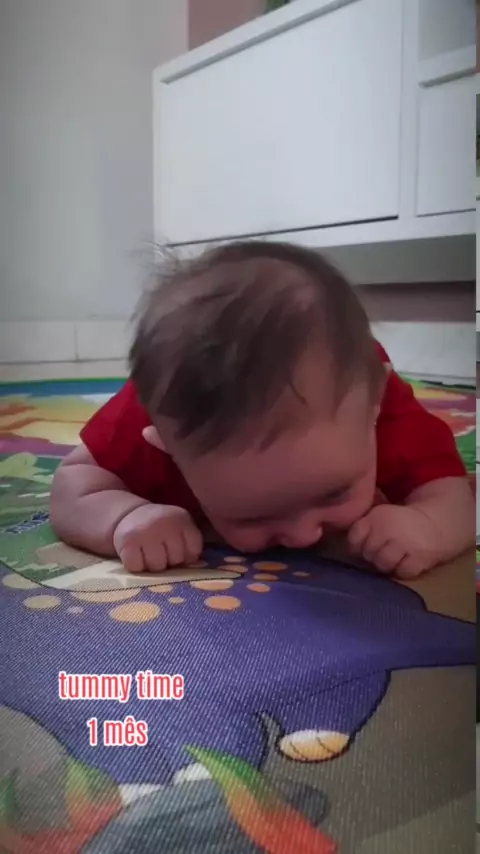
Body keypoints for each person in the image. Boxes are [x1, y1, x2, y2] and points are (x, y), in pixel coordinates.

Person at [50, 241, 474, 578]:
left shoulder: (374, 405)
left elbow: (456, 494)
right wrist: (126, 517)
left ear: (374, 403)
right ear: (167, 447)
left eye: (335, 492)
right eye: (253, 517)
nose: (304, 535)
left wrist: (429, 526)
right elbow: (73, 485)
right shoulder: (156, 419)